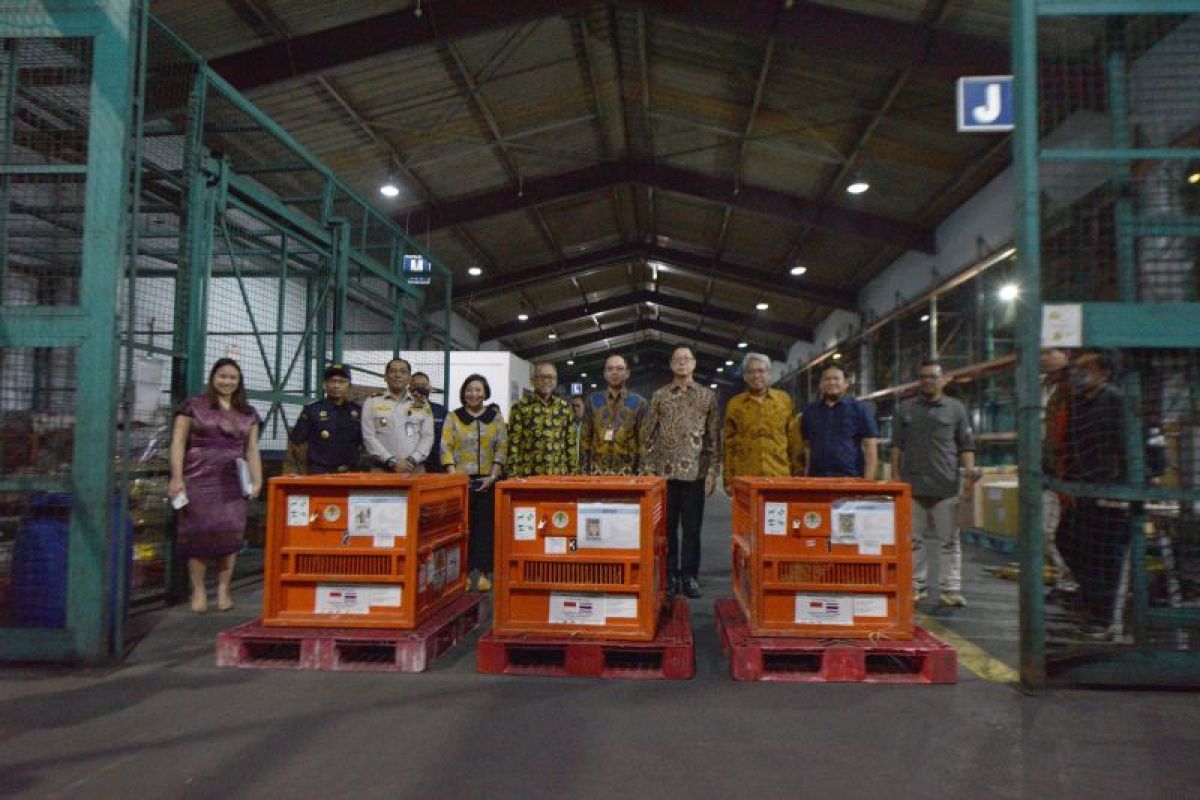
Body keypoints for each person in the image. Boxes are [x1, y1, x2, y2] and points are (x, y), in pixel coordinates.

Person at [167, 359, 263, 614]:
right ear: (213, 377)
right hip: (197, 477)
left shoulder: (248, 413)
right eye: (222, 376)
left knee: (230, 534)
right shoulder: (193, 406)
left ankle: (223, 590)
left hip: (233, 479)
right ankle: (198, 590)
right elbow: (178, 442)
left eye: (233, 377)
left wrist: (257, 480)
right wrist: (176, 477)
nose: (227, 382)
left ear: (239, 381)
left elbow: (252, 449)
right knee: (197, 533)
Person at [890, 359, 977, 607]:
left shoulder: (956, 409)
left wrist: (969, 472)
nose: (928, 380)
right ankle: (916, 586)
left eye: (933, 376)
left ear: (943, 379)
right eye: (924, 376)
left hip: (946, 486)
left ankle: (951, 588)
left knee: (949, 541)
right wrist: (895, 477)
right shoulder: (905, 409)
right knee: (912, 541)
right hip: (912, 486)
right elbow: (897, 446)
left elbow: (966, 444)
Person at [1057, 351, 1128, 635]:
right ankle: (1093, 603)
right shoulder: (1078, 405)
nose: (1079, 373)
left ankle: (1104, 615)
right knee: (1069, 541)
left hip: (1111, 491)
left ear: (1104, 373)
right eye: (1077, 368)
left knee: (1106, 554)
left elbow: (1127, 444)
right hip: (1083, 490)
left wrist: (1124, 484)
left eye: (1087, 368)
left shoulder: (1115, 401)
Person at [643, 346, 721, 599]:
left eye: (687, 359)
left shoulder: (706, 397)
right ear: (671, 364)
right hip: (663, 475)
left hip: (694, 475)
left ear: (694, 364)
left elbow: (713, 439)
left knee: (691, 529)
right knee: (666, 529)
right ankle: (670, 575)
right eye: (677, 359)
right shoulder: (659, 396)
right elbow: (648, 435)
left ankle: (689, 575)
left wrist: (712, 473)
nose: (682, 363)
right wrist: (647, 471)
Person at [441, 374, 507, 592]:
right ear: (463, 392)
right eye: (469, 389)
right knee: (463, 528)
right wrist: (454, 476)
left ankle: (485, 573)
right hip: (461, 481)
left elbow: (501, 446)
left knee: (486, 528)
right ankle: (465, 573)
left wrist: (493, 475)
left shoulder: (495, 418)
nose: (473, 394)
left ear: (485, 392)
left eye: (478, 390)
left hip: (488, 480)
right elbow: (446, 446)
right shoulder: (454, 417)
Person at [722, 352, 802, 495]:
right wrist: (728, 480)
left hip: (779, 477)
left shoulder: (784, 401)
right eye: (751, 371)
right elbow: (729, 445)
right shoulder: (735, 405)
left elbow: (794, 440)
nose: (756, 375)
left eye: (761, 371)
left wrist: (798, 475)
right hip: (746, 480)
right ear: (745, 376)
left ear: (769, 374)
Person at [801, 363, 880, 479]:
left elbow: (871, 448)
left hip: (851, 478)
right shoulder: (810, 412)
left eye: (836, 379)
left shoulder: (861, 410)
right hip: (817, 479)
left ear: (846, 383)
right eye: (827, 379)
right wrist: (807, 476)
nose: (832, 382)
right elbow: (808, 447)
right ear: (820, 384)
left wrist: (868, 483)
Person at [361, 357, 434, 474]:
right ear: (385, 377)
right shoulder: (372, 402)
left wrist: (412, 460)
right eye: (393, 371)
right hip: (382, 469)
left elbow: (428, 437)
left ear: (409, 378)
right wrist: (391, 461)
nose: (398, 375)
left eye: (403, 372)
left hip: (414, 469)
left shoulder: (422, 403)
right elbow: (368, 437)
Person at [579, 354, 648, 475]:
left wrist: (642, 473)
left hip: (628, 473)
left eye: (619, 369)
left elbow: (643, 442)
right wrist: (583, 471)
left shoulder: (639, 403)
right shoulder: (592, 400)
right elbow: (585, 439)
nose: (614, 372)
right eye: (610, 369)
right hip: (597, 473)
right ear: (605, 373)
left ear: (627, 373)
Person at [288, 363, 363, 474]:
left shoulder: (357, 412)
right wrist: (311, 464)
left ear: (349, 386)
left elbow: (365, 442)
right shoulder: (312, 410)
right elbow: (296, 442)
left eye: (341, 381)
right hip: (320, 472)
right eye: (332, 381)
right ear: (324, 385)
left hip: (351, 472)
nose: (336, 386)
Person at [506, 362, 578, 477]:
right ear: (533, 381)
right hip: (528, 476)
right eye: (542, 377)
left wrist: (573, 471)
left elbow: (570, 443)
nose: (546, 381)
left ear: (556, 381)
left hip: (558, 475)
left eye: (550, 377)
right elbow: (513, 444)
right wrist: (512, 475)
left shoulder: (564, 407)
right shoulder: (520, 407)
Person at [411, 371, 447, 474]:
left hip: (436, 464)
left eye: (424, 385)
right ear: (410, 388)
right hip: (412, 463)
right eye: (416, 385)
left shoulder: (440, 410)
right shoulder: (404, 410)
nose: (420, 388)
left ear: (430, 388)